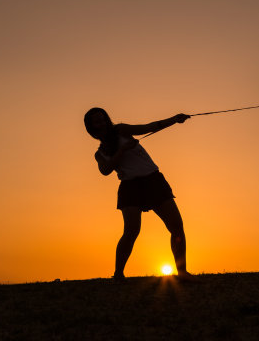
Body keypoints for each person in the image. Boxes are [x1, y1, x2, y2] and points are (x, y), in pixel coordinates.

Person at [84, 107, 195, 281]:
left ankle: (182, 271)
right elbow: (105, 170)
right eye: (97, 121)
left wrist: (174, 119)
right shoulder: (100, 153)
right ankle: (118, 275)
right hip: (130, 187)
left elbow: (148, 127)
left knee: (176, 226)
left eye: (103, 118)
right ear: (91, 128)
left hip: (153, 180)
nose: (102, 123)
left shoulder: (121, 130)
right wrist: (122, 150)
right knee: (131, 231)